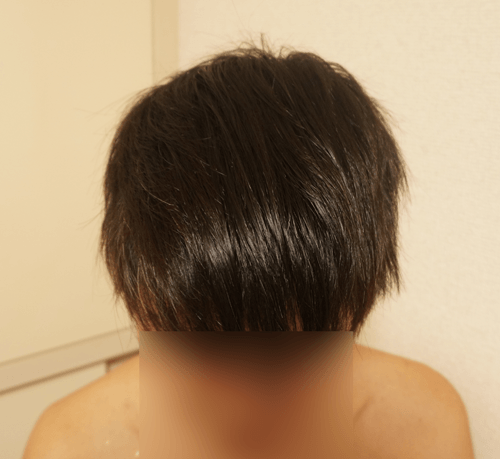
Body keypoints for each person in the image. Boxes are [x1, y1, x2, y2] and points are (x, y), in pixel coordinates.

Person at [22, 36, 475, 458]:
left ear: (358, 303)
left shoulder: (422, 425)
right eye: (195, 345)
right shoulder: (72, 444)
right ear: (138, 303)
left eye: (284, 355)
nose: (240, 407)